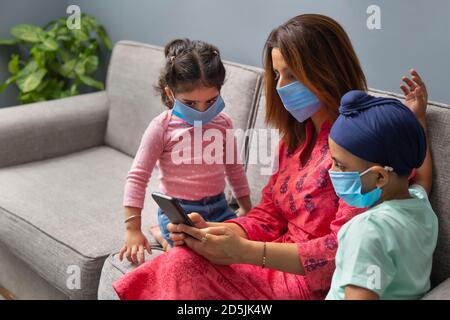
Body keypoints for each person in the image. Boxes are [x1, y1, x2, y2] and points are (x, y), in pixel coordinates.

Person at [112, 14, 428, 300]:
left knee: (178, 267)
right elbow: (269, 212)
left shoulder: (357, 147)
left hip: (305, 281)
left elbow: (342, 248)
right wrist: (219, 232)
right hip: (268, 256)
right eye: (277, 75)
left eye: (291, 75)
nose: (280, 87)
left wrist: (246, 251)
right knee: (182, 259)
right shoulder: (294, 139)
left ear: (326, 71)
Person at [119, 38, 252, 259]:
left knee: (241, 249)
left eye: (210, 101)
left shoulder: (223, 123)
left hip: (219, 207)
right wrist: (132, 230)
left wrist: (246, 208)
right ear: (170, 94)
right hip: (178, 213)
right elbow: (137, 177)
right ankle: (163, 236)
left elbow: (234, 168)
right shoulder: (161, 128)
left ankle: (165, 237)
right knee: (193, 258)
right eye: (190, 103)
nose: (201, 111)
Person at [325, 90, 437, 300]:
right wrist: (418, 119)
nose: (331, 170)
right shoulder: (420, 205)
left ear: (380, 177)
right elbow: (423, 178)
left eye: (339, 165)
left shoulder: (368, 231)